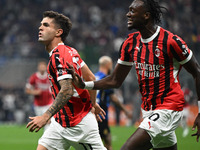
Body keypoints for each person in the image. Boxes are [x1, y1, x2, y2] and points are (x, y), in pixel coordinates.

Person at [67, 0, 200, 149]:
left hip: (169, 107)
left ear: (146, 15)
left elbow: (197, 72)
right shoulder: (130, 44)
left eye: (132, 11)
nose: (127, 14)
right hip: (148, 110)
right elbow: (115, 80)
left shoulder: (170, 41)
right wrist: (84, 85)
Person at [26, 11, 106, 150]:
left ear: (58, 32)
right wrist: (93, 104)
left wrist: (45, 116)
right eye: (40, 25)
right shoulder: (70, 51)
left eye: (45, 25)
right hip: (59, 123)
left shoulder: (59, 56)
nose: (40, 28)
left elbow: (67, 90)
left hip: (79, 125)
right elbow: (91, 78)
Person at [95, 56, 132, 150]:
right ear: (108, 65)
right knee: (107, 143)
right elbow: (114, 98)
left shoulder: (94, 76)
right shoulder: (105, 79)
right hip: (102, 115)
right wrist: (125, 110)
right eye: (111, 65)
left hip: (93, 114)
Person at [25, 60, 53, 130]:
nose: (42, 68)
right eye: (41, 66)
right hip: (38, 104)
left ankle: (46, 138)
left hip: (48, 103)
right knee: (41, 122)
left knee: (48, 121)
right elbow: (27, 90)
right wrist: (35, 92)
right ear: (38, 67)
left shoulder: (50, 77)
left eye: (43, 66)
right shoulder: (34, 77)